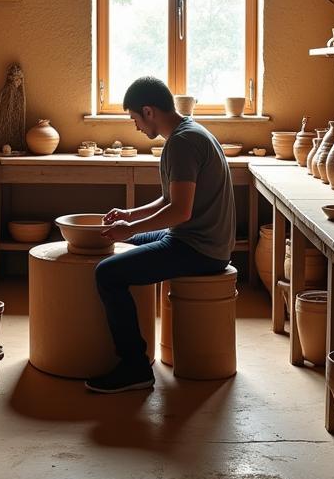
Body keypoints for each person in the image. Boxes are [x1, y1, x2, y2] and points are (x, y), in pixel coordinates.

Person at [88, 76, 236, 393]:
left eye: (134, 119)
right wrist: (131, 216)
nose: (136, 127)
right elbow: (171, 200)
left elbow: (180, 212)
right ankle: (136, 356)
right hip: (197, 239)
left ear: (149, 111)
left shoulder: (182, 143)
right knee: (123, 242)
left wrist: (132, 227)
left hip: (200, 249)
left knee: (108, 273)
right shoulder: (187, 133)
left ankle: (134, 368)